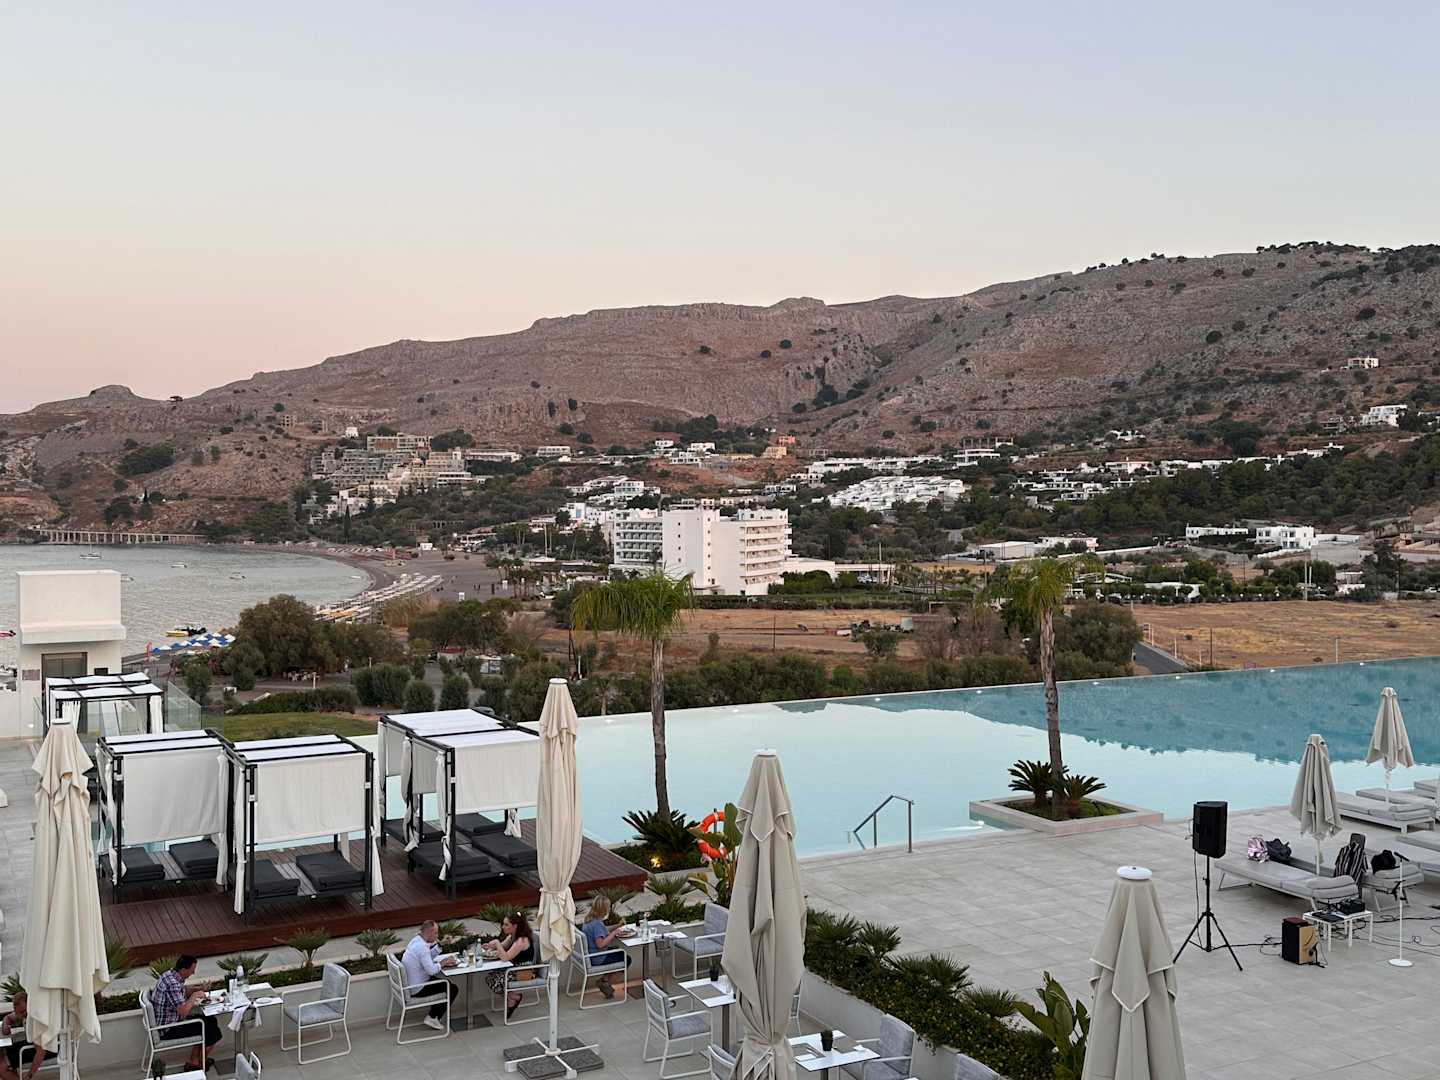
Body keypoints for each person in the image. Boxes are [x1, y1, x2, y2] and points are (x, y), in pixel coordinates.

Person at [152, 955, 221, 1072]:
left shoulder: (170, 975)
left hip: (171, 1022)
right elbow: (183, 1012)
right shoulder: (172, 984)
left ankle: (194, 1061)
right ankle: (200, 1062)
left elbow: (182, 991)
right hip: (169, 1029)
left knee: (210, 1020)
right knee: (210, 1030)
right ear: (183, 969)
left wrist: (199, 988)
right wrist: (194, 996)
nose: (193, 973)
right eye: (192, 970)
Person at [402, 920, 458, 1031]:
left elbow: (426, 957)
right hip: (417, 988)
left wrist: (440, 945)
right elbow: (431, 970)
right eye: (436, 933)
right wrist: (444, 962)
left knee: (446, 984)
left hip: (413, 983)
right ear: (430, 932)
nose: (437, 936)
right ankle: (432, 1017)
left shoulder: (416, 940)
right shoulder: (422, 947)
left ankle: (433, 1015)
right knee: (452, 988)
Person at [481, 911, 535, 1018]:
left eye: (506, 925)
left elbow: (505, 957)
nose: (503, 927)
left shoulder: (521, 940)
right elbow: (502, 947)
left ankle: (513, 997)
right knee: (490, 977)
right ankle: (513, 996)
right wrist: (490, 946)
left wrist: (497, 943)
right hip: (514, 970)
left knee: (496, 980)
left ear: (515, 926)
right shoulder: (512, 936)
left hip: (524, 972)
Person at [579, 894, 632, 1000]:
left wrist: (617, 926)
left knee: (618, 952)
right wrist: (614, 933)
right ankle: (605, 982)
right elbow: (600, 944)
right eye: (608, 907)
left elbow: (603, 930)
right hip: (598, 958)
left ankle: (604, 981)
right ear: (604, 909)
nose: (609, 909)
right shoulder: (597, 924)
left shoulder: (589, 920)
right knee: (626, 959)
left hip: (591, 955)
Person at [0, 992, 43, 1080]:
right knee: (1, 1054)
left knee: (1, 1066)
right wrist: (5, 1025)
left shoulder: (35, 1020)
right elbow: (8, 1017)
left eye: (23, 1011)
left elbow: (41, 1051)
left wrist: (30, 1074)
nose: (22, 1014)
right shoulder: (24, 1012)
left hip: (41, 1048)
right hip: (31, 1044)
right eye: (18, 1012)